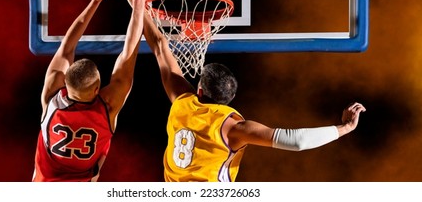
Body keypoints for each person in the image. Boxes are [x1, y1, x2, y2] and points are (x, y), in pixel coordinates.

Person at [141, 13, 367, 182]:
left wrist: (138, 3)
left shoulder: (182, 102)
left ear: (199, 91)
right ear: (230, 98)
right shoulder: (234, 128)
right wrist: (345, 127)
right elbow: (296, 140)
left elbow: (160, 47)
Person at [32, 0, 149, 182]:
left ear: (65, 84)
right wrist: (138, 5)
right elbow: (128, 53)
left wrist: (94, 2)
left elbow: (67, 47)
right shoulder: (107, 107)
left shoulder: (51, 101)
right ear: (97, 89)